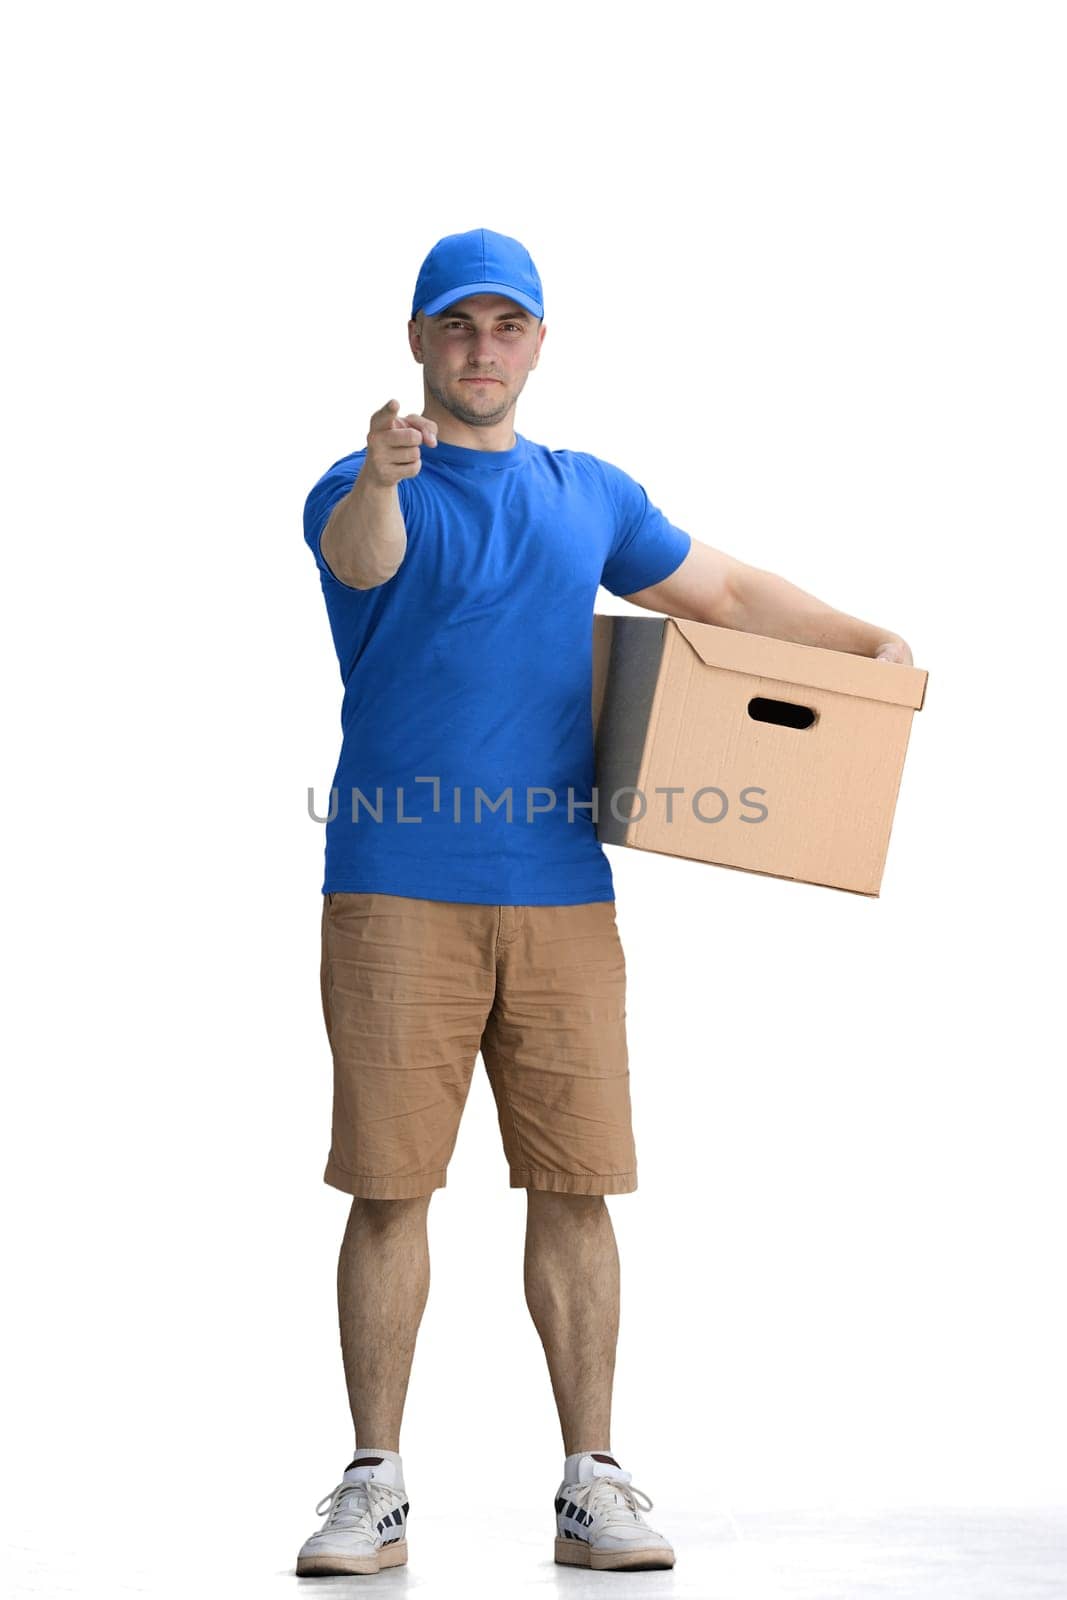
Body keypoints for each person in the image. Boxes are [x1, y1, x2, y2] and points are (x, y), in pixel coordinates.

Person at [297, 228, 913, 1578]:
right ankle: (371, 1485)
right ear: (417, 342)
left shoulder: (590, 494)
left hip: (566, 891)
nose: (480, 348)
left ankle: (593, 1482)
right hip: (398, 889)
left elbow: (729, 590)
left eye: (505, 326)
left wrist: (861, 642)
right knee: (393, 1189)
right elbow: (361, 556)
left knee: (578, 1186)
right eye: (456, 325)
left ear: (537, 345)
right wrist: (387, 474)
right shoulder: (360, 481)